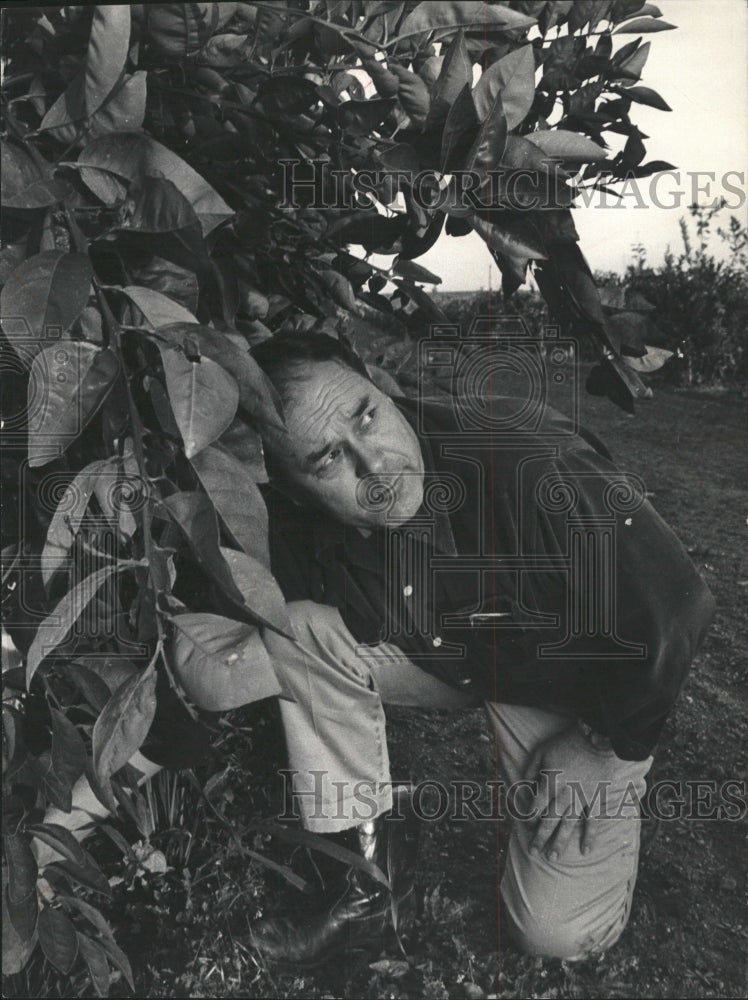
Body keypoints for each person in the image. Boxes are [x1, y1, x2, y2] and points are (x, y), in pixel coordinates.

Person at [246, 330, 715, 967]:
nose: (375, 464)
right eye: (328, 460)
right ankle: (367, 871)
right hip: (457, 660)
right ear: (294, 487)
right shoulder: (297, 516)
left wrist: (598, 742)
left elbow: (675, 608)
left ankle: (600, 793)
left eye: (367, 416)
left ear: (383, 388)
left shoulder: (530, 463)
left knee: (552, 933)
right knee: (295, 630)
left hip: (583, 690)